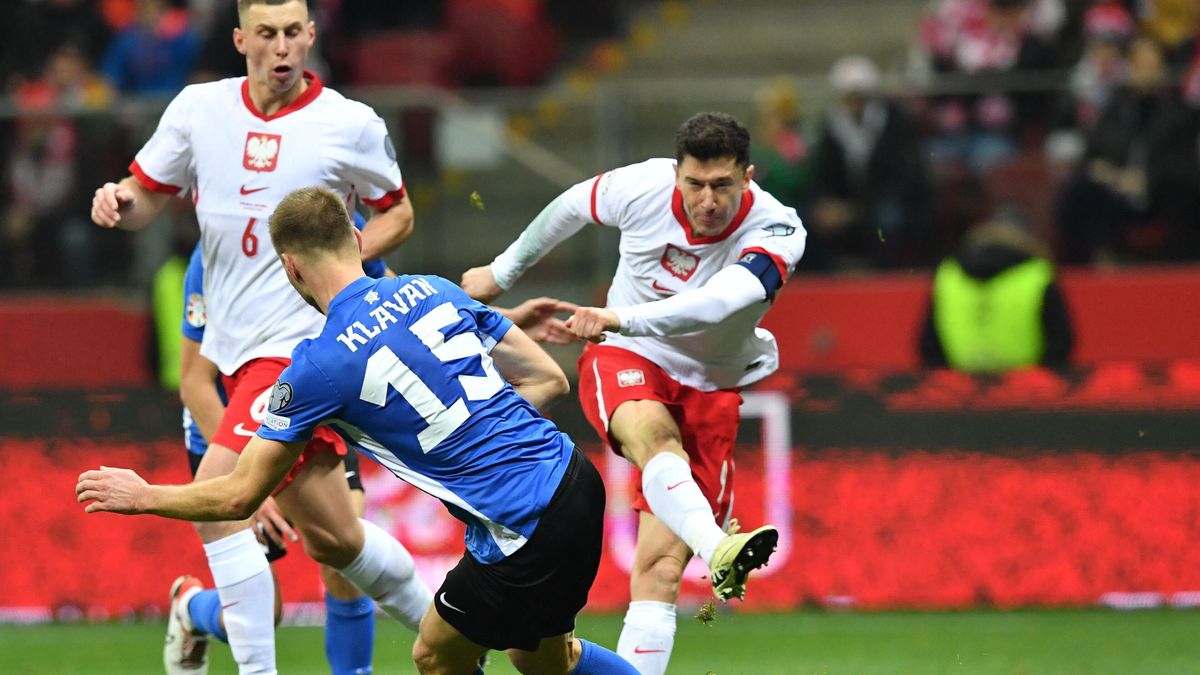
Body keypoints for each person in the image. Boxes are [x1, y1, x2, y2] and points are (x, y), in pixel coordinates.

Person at [78, 186, 639, 675]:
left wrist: (144, 495)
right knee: (543, 660)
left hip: (520, 525)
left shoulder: (316, 368)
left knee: (436, 656)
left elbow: (239, 493)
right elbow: (547, 379)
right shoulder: (433, 290)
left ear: (290, 267)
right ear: (355, 235)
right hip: (574, 478)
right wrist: (475, 435)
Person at [89, 2, 430, 673]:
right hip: (236, 363)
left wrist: (345, 255)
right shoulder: (197, 111)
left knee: (221, 493)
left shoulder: (350, 124)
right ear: (242, 38)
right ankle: (452, 624)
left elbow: (400, 212)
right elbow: (144, 192)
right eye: (266, 35)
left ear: (311, 35)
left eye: (292, 33)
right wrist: (120, 202)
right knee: (338, 543)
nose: (281, 49)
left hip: (305, 348)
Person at [461, 111, 801, 675]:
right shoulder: (640, 186)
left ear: (748, 177)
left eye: (722, 185)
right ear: (676, 174)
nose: (708, 200)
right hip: (629, 357)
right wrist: (502, 271)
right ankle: (717, 547)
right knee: (655, 441)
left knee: (662, 572)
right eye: (694, 184)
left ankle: (703, 553)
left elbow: (718, 303)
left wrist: (620, 315)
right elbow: (571, 204)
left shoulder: (779, 230)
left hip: (709, 381)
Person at [174, 210, 388, 675]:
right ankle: (191, 609)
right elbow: (194, 383)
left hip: (308, 412)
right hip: (229, 433)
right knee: (260, 613)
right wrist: (251, 483)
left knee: (345, 554)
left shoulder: (327, 227)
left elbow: (397, 298)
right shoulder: (214, 256)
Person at [919, 215, 1074, 372]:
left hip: (963, 390)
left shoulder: (949, 273)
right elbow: (1061, 342)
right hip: (1025, 389)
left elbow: (929, 347)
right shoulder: (1037, 274)